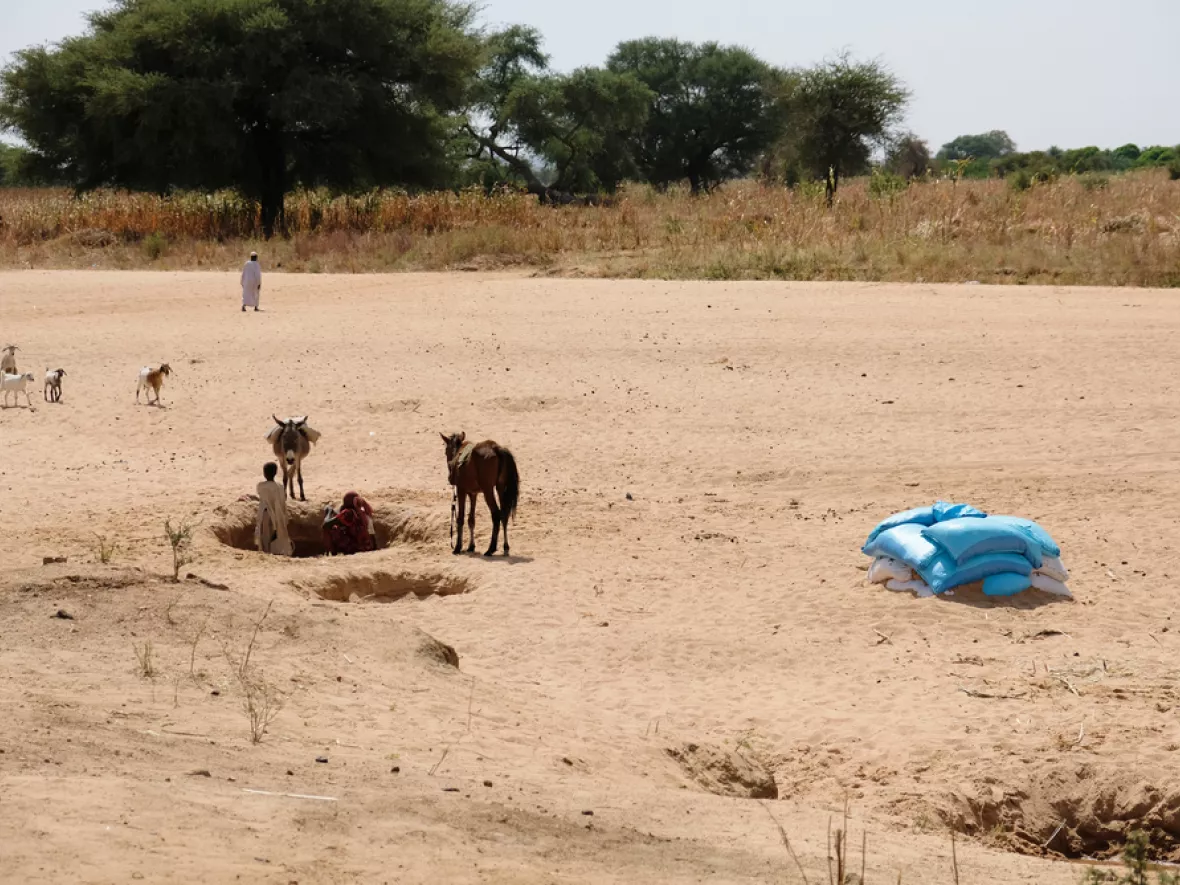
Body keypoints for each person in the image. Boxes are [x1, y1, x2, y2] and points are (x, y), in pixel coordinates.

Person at [255, 462, 293, 556]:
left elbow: (261, 495)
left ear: (264, 473)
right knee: (277, 535)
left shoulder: (261, 486)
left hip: (266, 514)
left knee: (265, 536)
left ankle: (266, 553)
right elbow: (283, 499)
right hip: (277, 515)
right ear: (275, 473)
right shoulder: (280, 487)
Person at [322, 491, 377, 556]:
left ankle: (332, 553)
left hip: (357, 548)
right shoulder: (363, 512)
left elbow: (326, 525)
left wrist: (329, 512)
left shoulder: (348, 514)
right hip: (368, 547)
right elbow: (372, 536)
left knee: (333, 529)